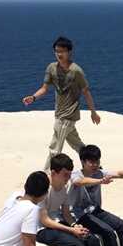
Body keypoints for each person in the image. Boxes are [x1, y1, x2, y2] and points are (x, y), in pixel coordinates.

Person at [21, 36, 102, 170]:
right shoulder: (51, 68)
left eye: (62, 51)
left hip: (67, 116)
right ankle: (92, 163)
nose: (59, 54)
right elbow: (44, 88)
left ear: (69, 52)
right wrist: (33, 97)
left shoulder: (76, 71)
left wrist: (93, 112)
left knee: (54, 148)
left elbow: (86, 92)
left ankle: (46, 176)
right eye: (57, 51)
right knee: (78, 145)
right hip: (59, 113)